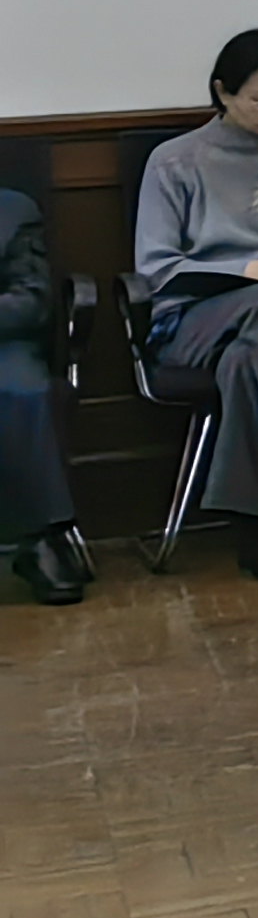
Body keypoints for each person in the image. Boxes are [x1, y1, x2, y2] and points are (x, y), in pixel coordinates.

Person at [133, 28, 258, 583]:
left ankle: (256, 530)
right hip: (194, 316)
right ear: (223, 92)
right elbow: (157, 267)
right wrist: (243, 272)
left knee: (248, 360)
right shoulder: (175, 161)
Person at [0, 173, 77, 605]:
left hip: (2, 342)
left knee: (25, 390)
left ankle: (42, 540)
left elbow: (32, 299)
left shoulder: (12, 210)